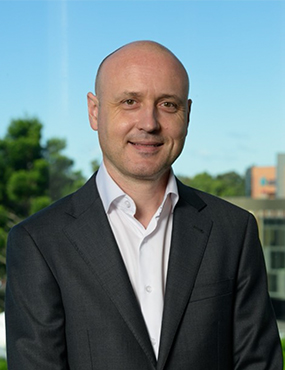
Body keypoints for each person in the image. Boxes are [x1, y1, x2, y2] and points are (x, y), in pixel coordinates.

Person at [5, 40, 282, 369]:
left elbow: (258, 364)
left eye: (167, 104)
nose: (149, 122)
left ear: (188, 114)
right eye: (129, 101)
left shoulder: (234, 231)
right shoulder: (38, 242)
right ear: (95, 111)